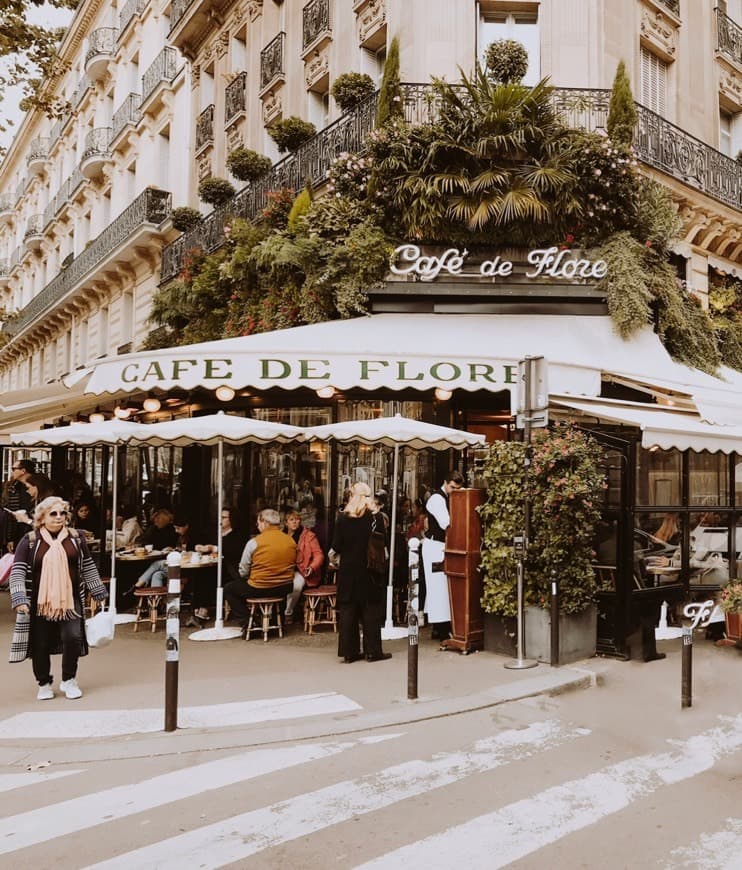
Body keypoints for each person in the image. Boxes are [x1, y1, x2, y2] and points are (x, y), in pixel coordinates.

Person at [8, 496, 108, 700]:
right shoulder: (30, 541)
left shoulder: (76, 538)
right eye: (53, 513)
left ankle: (69, 680)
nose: (59, 517)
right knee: (40, 643)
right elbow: (17, 571)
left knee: (73, 638)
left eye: (63, 513)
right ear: (42, 517)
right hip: (39, 603)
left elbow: (87, 565)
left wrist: (98, 592)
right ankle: (44, 682)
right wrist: (19, 599)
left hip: (71, 600)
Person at [330, 482, 391, 664]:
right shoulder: (376, 518)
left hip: (348, 570)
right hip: (370, 569)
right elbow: (383, 547)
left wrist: (336, 561)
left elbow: (335, 548)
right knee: (370, 610)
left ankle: (349, 652)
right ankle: (372, 651)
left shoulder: (342, 518)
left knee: (349, 610)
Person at [224, 508, 297, 637]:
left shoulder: (254, 542)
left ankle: (248, 623)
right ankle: (275, 621)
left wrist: (249, 576)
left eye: (258, 523)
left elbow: (243, 571)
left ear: (264, 522)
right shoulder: (290, 541)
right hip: (284, 586)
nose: (257, 526)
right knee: (279, 588)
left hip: (260, 586)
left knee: (229, 589)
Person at [422, 470, 465, 641]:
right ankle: (441, 629)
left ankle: (438, 626)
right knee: (438, 588)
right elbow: (446, 522)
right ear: (445, 482)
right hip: (435, 547)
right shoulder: (437, 499)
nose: (454, 491)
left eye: (457, 488)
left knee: (440, 588)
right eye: (452, 487)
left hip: (440, 546)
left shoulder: (446, 497)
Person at [194, 506, 248, 620]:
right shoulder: (215, 533)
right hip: (215, 566)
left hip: (232, 570)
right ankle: (198, 607)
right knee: (201, 573)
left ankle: (204, 608)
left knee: (208, 575)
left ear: (231, 519)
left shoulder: (238, 534)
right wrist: (200, 547)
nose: (221, 520)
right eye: (220, 517)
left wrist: (212, 548)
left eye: (224, 517)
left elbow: (234, 551)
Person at [284, 508, 325, 622]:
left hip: (301, 570)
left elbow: (319, 555)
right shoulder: (280, 536)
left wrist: (312, 567)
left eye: (297, 519)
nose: (295, 522)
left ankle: (288, 612)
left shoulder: (308, 536)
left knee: (296, 585)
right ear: (285, 522)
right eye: (291, 519)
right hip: (282, 569)